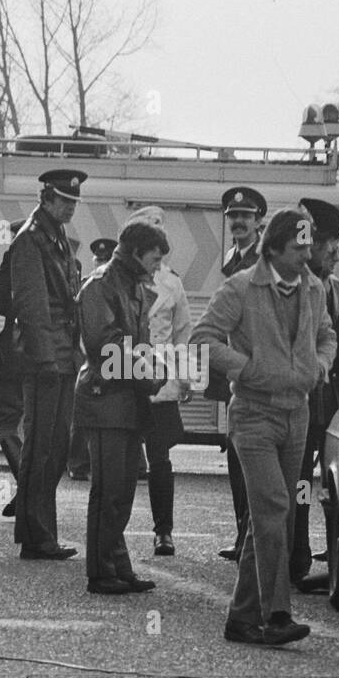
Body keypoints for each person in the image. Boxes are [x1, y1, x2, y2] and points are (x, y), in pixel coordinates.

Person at [192, 209, 336, 646]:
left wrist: (320, 365)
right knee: (274, 508)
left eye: (309, 246)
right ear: (272, 249)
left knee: (275, 516)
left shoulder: (314, 288)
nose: (307, 256)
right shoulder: (240, 287)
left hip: (297, 414)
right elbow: (202, 339)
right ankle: (276, 615)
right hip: (254, 415)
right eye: (298, 248)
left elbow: (327, 336)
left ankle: (242, 618)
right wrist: (247, 368)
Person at [74, 221, 167, 593]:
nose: (158, 266)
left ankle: (118, 567)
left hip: (125, 401)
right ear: (136, 253)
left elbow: (137, 343)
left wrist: (156, 366)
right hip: (106, 399)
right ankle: (101, 572)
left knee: (123, 491)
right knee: (108, 491)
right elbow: (106, 344)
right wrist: (149, 374)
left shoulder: (133, 286)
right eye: (154, 259)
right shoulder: (101, 285)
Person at [11, 170, 87, 560]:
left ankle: (42, 532)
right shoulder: (31, 240)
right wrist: (46, 360)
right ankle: (35, 535)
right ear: (46, 198)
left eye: (73, 201)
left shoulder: (54, 237)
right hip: (46, 359)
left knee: (55, 448)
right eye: (63, 200)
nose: (70, 207)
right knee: (40, 448)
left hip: (62, 355)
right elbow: (32, 306)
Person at [292, 198, 339, 591]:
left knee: (333, 488)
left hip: (331, 406)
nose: (336, 253)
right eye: (329, 245)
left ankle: (337, 563)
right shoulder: (300, 285)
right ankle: (296, 555)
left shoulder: (333, 288)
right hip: (305, 401)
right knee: (299, 484)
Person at [126, 206, 192, 557]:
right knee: (122, 459)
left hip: (160, 381)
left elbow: (183, 332)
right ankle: (113, 533)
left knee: (160, 459)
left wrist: (185, 377)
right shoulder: (121, 278)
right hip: (125, 375)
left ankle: (163, 531)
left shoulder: (172, 282)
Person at [210, 185, 267, 562]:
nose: (239, 222)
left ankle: (254, 539)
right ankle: (242, 534)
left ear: (259, 221)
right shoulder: (232, 257)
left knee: (253, 462)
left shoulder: (264, 259)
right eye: (233, 216)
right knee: (235, 458)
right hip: (235, 368)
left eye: (245, 216)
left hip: (256, 368)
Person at [68, 237, 117, 481]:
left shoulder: (119, 288)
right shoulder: (86, 286)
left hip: (114, 357)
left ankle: (131, 464)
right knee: (83, 413)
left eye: (105, 260)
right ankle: (78, 463)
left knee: (116, 409)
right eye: (98, 259)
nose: (100, 264)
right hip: (86, 356)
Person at [0, 218, 28, 518]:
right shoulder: (62, 260)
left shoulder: (16, 260)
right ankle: (29, 489)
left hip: (17, 350)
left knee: (4, 417)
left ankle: (27, 487)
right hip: (50, 353)